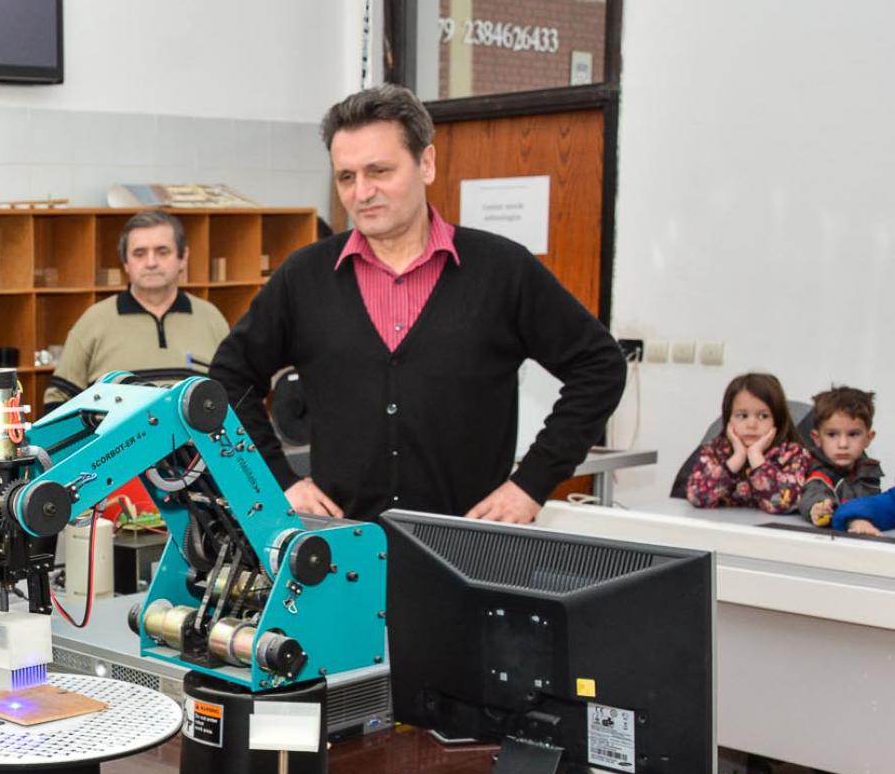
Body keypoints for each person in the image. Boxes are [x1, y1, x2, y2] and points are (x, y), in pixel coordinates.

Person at [208, 84, 625, 522]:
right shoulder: (305, 277)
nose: (362, 192)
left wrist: (531, 484)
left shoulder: (502, 271)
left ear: (426, 163)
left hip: (467, 544)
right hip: (345, 544)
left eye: (379, 171)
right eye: (347, 177)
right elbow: (230, 379)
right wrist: (277, 480)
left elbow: (600, 366)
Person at [47, 210, 230, 401]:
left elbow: (234, 396)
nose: (151, 263)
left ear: (183, 257)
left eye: (162, 252)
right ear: (125, 263)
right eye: (139, 253)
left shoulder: (212, 319)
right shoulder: (93, 322)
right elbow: (58, 400)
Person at [684, 373, 813, 513]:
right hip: (722, 524)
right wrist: (737, 459)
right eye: (742, 415)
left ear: (778, 420)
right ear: (728, 419)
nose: (751, 424)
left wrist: (756, 457)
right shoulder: (715, 450)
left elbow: (785, 503)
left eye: (763, 416)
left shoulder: (793, 454)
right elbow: (697, 498)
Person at [799, 386, 881, 528]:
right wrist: (818, 508)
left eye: (853, 434)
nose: (843, 444)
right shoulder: (815, 469)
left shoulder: (869, 470)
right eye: (832, 434)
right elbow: (813, 493)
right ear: (817, 438)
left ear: (868, 438)